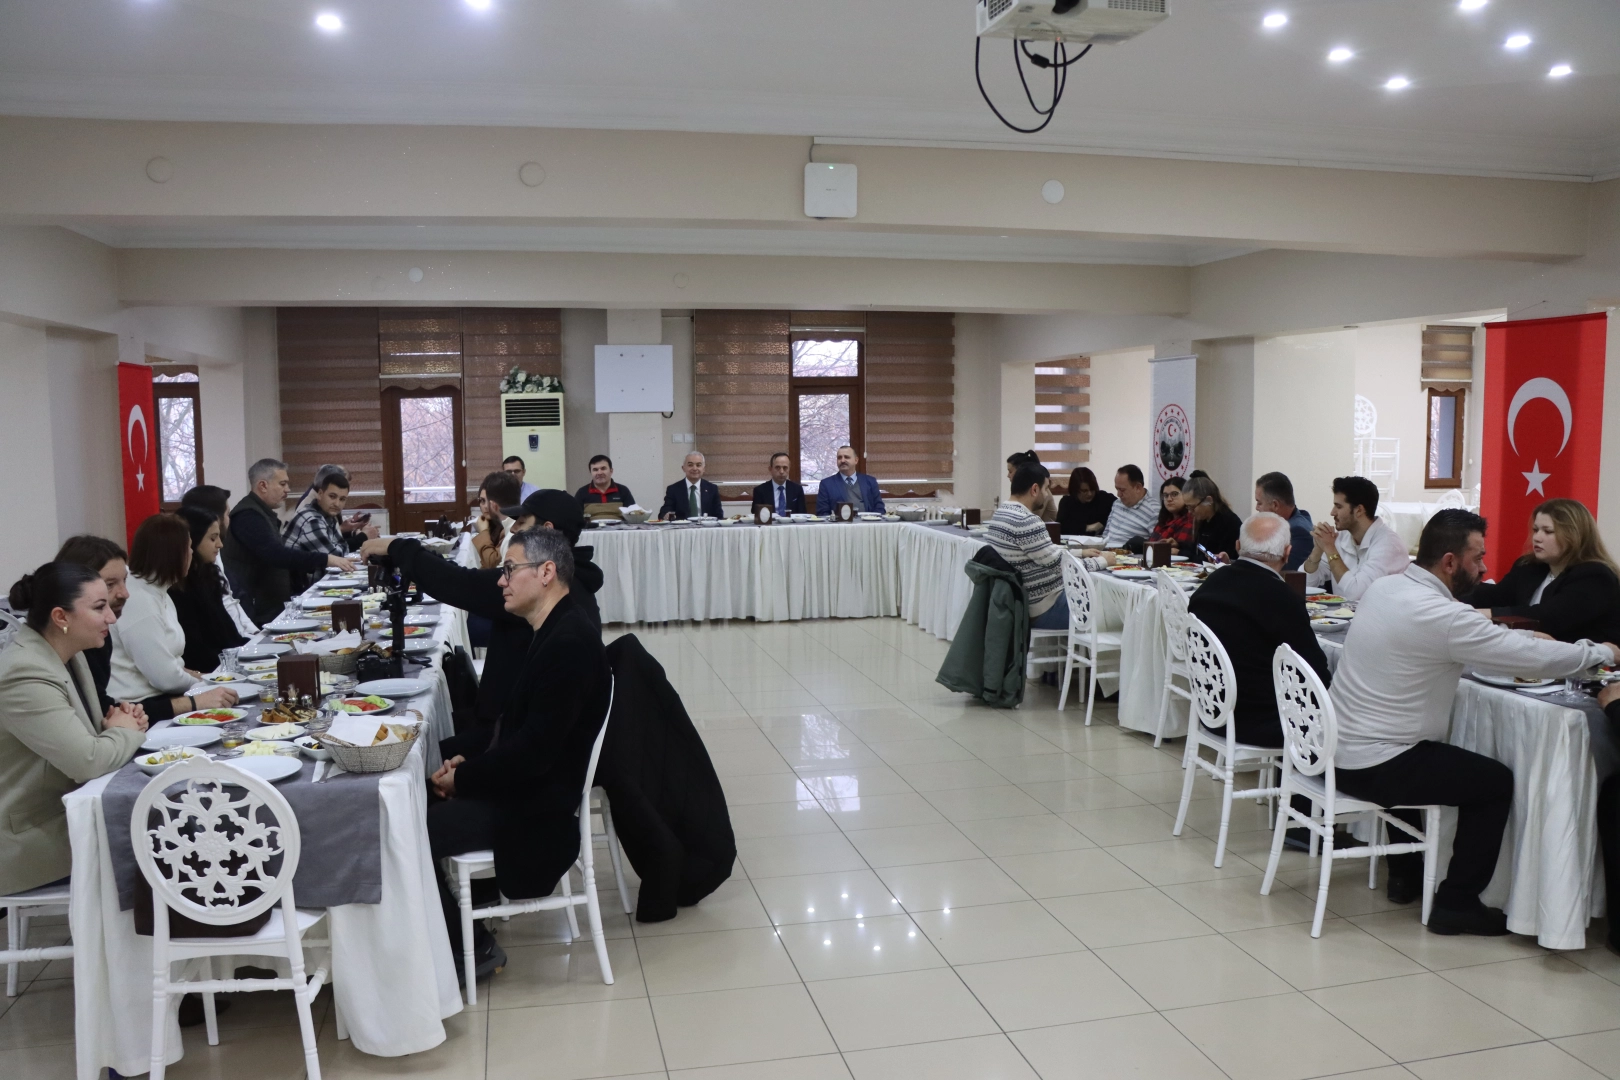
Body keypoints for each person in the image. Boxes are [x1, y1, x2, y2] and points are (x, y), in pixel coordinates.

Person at [1331, 509, 1619, 934]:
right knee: (1493, 782)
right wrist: (1602, 652)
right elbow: (1527, 657)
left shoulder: (1386, 588)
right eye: (1478, 558)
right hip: (1376, 763)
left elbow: (1494, 640)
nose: (1485, 569)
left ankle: (1406, 873)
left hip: (1336, 748)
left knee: (1430, 755)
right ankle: (1457, 904)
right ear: (1450, 561)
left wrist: (1526, 637)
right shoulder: (1444, 616)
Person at [425, 527, 612, 980]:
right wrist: (469, 763)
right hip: (525, 789)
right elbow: (518, 730)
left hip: (534, 811)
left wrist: (464, 779)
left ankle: (468, 949)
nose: (500, 580)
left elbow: (533, 753)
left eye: (509, 570)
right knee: (416, 791)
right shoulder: (552, 628)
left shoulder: (567, 643)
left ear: (546, 572)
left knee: (408, 830)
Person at [358, 489, 603, 732]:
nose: (513, 529)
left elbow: (459, 584)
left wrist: (399, 548)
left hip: (506, 730)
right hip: (507, 719)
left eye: (521, 522)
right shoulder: (570, 576)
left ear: (547, 530)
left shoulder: (540, 585)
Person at [0, 562, 147, 897]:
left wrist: (120, 723)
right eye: (99, 607)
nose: (111, 617)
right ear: (60, 617)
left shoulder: (67, 653)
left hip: (68, 815)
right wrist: (126, 731)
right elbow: (88, 761)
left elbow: (90, 740)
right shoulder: (24, 673)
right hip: (29, 843)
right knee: (163, 841)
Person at [53, 535, 237, 721]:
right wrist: (194, 700)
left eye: (124, 581)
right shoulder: (51, 660)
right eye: (109, 585)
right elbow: (102, 716)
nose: (125, 593)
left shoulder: (99, 633)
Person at [1189, 513, 1331, 747]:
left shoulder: (1210, 585)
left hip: (1212, 710)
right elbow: (1316, 674)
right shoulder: (1282, 598)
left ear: (1237, 546)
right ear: (1287, 553)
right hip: (1264, 721)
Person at [1464, 498, 1620, 644]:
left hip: (1587, 661)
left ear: (1574, 535)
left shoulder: (1595, 576)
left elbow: (1549, 617)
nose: (1537, 538)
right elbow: (1497, 596)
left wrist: (1485, 614)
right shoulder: (1529, 566)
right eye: (1536, 530)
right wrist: (1455, 595)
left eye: (1548, 531)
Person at [224, 458, 354, 623]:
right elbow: (276, 555)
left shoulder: (262, 513)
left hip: (269, 603)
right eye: (283, 484)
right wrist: (326, 559)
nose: (288, 489)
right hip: (256, 607)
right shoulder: (249, 516)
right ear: (263, 486)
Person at [988, 463, 1113, 631]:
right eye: (1046, 488)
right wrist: (1102, 561)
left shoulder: (1000, 514)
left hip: (1020, 604)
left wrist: (1079, 552)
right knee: (1115, 605)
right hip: (1044, 609)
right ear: (1035, 489)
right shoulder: (1026, 521)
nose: (1047, 494)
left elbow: (1046, 553)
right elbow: (1063, 567)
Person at [108, 513, 206, 705]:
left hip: (164, 696)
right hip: (142, 704)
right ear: (172, 553)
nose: (192, 553)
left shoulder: (159, 591)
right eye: (188, 547)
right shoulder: (138, 599)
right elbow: (165, 678)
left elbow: (171, 664)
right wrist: (206, 684)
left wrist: (201, 677)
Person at [1302, 475, 1408, 600]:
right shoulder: (1341, 538)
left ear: (1359, 510)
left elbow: (1356, 594)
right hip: (1343, 612)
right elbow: (1304, 584)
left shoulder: (1389, 545)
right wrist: (1318, 550)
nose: (1332, 512)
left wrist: (1330, 549)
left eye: (1339, 506)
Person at [170, 506, 249, 673]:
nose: (220, 544)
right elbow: (196, 651)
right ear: (192, 540)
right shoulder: (178, 588)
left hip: (226, 664)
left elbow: (230, 634)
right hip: (208, 672)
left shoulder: (208, 575)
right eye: (213, 538)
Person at [180, 485, 258, 637]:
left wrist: (255, 633)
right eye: (227, 514)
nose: (229, 520)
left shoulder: (212, 555)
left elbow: (231, 601)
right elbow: (226, 607)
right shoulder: (196, 570)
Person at [283, 465, 372, 591]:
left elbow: (342, 548)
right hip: (297, 591)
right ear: (320, 494)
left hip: (310, 583)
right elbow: (335, 557)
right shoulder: (311, 519)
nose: (337, 504)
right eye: (332, 496)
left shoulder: (328, 516)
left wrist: (340, 550)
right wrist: (361, 538)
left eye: (342, 499)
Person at [1254, 471, 1314, 572]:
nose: (1257, 508)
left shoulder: (1297, 532)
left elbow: (1277, 571)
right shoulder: (1297, 519)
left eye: (1259, 503)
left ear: (1275, 505)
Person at [1182, 475, 1243, 562]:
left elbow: (1214, 559)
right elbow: (1198, 550)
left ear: (1208, 500)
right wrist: (1178, 546)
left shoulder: (1229, 523)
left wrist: (1182, 553)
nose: (1189, 512)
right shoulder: (1204, 520)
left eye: (1192, 507)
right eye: (1187, 507)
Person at [471, 471, 522, 570]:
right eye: (482, 501)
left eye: (487, 501)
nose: (485, 506)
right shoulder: (501, 525)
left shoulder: (512, 533)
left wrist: (483, 532)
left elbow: (493, 566)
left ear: (493, 505)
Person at [1099, 465, 1159, 548]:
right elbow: (1105, 535)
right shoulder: (1117, 503)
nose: (1118, 494)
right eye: (1117, 489)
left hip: (1128, 554)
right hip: (1105, 551)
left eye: (1122, 490)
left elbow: (1156, 546)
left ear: (1138, 488)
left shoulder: (1154, 511)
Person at [814, 445, 884, 515]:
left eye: (846, 457)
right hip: (839, 522)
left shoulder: (870, 482)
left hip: (867, 521)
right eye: (839, 458)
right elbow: (822, 513)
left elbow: (880, 508)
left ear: (856, 460)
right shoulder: (826, 484)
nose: (842, 460)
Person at [659, 451, 724, 519]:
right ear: (683, 468)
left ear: (704, 469)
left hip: (705, 525)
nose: (694, 468)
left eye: (698, 465)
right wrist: (666, 515)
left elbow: (719, 515)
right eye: (690, 465)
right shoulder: (673, 489)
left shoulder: (712, 489)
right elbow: (663, 513)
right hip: (682, 525)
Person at [1056, 467, 1115, 537]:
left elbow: (1120, 508)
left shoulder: (1105, 498)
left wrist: (1103, 524)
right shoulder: (1066, 503)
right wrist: (1086, 528)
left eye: (1092, 489)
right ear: (1075, 490)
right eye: (1084, 491)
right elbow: (1060, 528)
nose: (1090, 494)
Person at [1007, 451, 1056, 522]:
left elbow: (1028, 519)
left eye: (1010, 471)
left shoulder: (1041, 492)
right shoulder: (1022, 491)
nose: (1008, 475)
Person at [1148, 476, 1193, 551]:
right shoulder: (1164, 519)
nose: (1169, 499)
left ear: (1186, 495)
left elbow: (1180, 550)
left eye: (1174, 494)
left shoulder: (1189, 520)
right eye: (1165, 495)